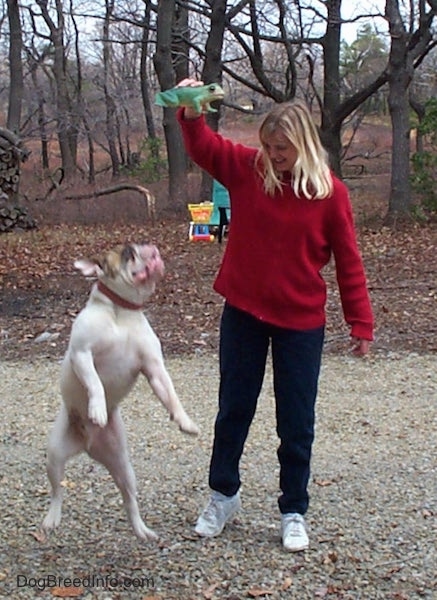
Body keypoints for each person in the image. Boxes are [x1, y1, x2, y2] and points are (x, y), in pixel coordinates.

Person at [176, 78, 374, 552]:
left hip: (300, 323)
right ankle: (223, 495)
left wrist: (360, 321)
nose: (273, 154)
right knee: (234, 410)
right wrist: (191, 111)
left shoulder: (332, 195)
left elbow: (349, 262)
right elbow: (205, 147)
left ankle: (293, 510)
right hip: (243, 312)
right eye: (268, 145)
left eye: (282, 147)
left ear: (303, 144)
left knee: (296, 420)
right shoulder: (250, 169)